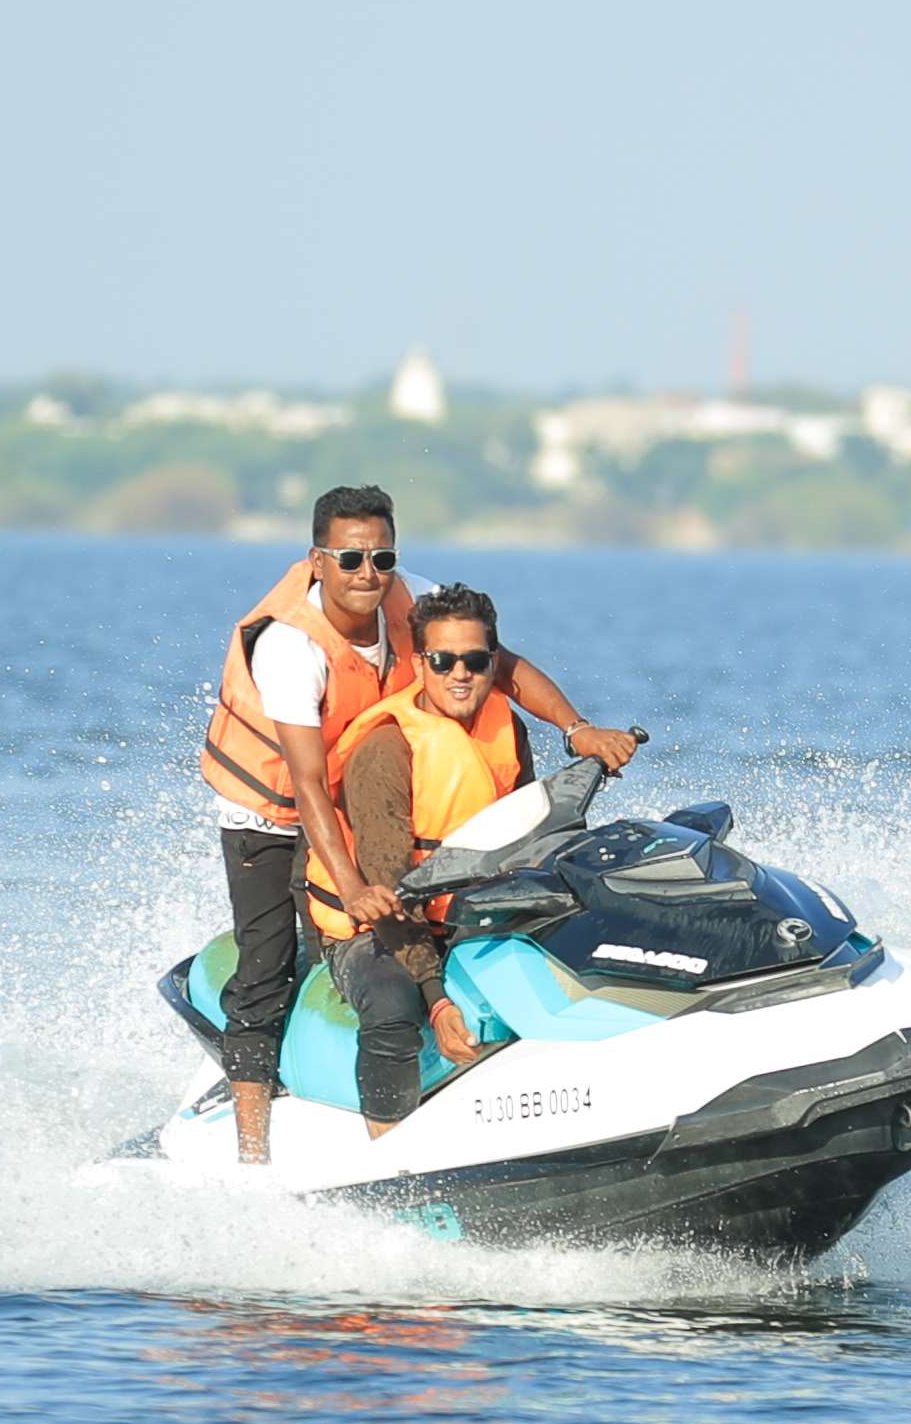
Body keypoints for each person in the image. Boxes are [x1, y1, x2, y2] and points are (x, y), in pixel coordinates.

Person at [196, 489, 639, 1158]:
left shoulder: (410, 598)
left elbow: (504, 663)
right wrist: (352, 891)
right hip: (274, 807)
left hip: (359, 789)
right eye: (350, 558)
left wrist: (576, 729)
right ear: (318, 561)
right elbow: (310, 783)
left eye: (381, 556)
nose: (368, 573)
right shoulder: (291, 647)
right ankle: (253, 1150)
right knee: (267, 965)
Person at [314, 585, 556, 1133]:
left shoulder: (506, 729)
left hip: (468, 916)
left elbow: (535, 837)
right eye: (444, 661)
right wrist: (437, 998)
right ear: (421, 663)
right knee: (394, 1006)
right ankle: (387, 1153)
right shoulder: (387, 750)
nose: (460, 674)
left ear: (493, 662)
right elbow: (390, 894)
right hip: (375, 928)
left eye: (474, 660)